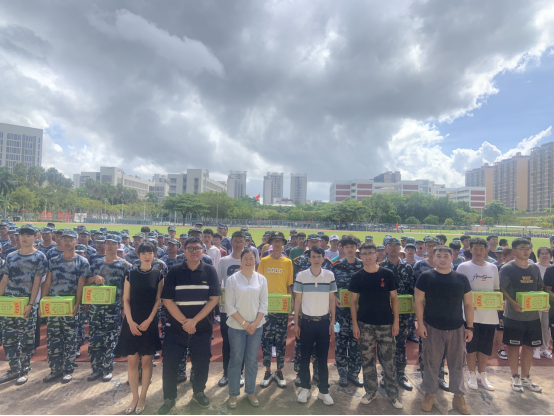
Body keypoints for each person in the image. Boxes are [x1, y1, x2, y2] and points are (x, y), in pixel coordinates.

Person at [159, 237, 220, 414]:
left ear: (203, 251)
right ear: (184, 251)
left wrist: (194, 321)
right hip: (176, 329)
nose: (194, 251)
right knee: (170, 364)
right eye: (190, 248)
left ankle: (199, 392)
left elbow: (214, 299)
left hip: (201, 328)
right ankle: (169, 398)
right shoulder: (175, 271)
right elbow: (167, 300)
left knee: (201, 363)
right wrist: (185, 322)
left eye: (197, 248)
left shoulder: (210, 271)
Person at [415, 245, 473, 415]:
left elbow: (468, 304)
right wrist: (420, 324)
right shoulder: (426, 277)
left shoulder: (461, 279)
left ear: (452, 258)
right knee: (431, 362)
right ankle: (429, 393)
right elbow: (418, 302)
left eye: (445, 256)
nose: (442, 259)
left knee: (457, 364)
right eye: (438, 256)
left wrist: (470, 327)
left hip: (457, 327)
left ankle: (458, 396)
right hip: (432, 327)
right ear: (433, 258)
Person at [351, 243, 402, 409]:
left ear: (377, 254)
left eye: (370, 253)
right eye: (364, 253)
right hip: (365, 324)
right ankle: (370, 391)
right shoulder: (357, 276)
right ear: (360, 256)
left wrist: (396, 322)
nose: (368, 256)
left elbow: (394, 299)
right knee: (367, 360)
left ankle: (393, 394)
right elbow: (353, 302)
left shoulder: (387, 274)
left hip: (386, 324)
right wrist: (355, 324)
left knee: (388, 361)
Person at [115, 241, 163, 415]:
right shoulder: (130, 274)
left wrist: (150, 320)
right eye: (143, 253)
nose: (147, 256)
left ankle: (143, 397)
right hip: (132, 322)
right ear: (138, 255)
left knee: (146, 361)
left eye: (150, 252)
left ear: (154, 254)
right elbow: (126, 299)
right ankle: (134, 397)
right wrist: (130, 321)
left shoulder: (159, 275)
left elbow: (158, 300)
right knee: (132, 361)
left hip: (149, 323)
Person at [0, 225, 48, 386]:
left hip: (26, 303)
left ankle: (24, 369)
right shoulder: (11, 256)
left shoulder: (39, 257)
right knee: (8, 338)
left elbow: (37, 283)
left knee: (26, 339)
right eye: (22, 235)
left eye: (28, 235)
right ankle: (14, 368)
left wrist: (31, 303)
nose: (25, 238)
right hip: (9, 303)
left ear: (35, 237)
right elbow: (4, 280)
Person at [41, 230, 90, 384]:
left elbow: (81, 284)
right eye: (65, 240)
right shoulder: (53, 261)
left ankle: (68, 370)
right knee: (53, 339)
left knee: (70, 339)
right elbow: (47, 283)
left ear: (76, 242)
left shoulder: (82, 261)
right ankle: (55, 370)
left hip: (70, 307)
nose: (68, 243)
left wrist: (77, 304)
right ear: (60, 241)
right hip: (54, 307)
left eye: (71, 240)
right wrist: (42, 303)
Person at [225, 248, 268, 409]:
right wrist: (244, 324)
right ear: (241, 260)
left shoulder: (261, 279)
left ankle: (250, 391)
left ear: (255, 260)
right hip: (236, 327)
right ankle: (233, 393)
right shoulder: (233, 279)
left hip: (256, 327)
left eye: (251, 258)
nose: (248, 261)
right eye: (246, 258)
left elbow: (264, 303)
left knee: (251, 360)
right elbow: (229, 305)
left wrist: (255, 323)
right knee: (236, 360)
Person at [500, 238, 544, 393]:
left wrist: (543, 302)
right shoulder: (507, 268)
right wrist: (513, 303)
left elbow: (539, 288)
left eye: (528, 248)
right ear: (514, 250)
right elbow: (502, 289)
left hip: (533, 317)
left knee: (530, 346)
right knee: (513, 346)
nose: (526, 251)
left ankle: (526, 377)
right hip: (514, 316)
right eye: (522, 248)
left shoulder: (534, 268)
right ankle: (515, 376)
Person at [294, 246, 336, 406]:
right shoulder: (301, 276)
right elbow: (297, 301)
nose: (316, 259)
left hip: (324, 322)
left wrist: (332, 321)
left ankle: (323, 390)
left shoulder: (329, 275)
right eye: (313, 256)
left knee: (323, 358)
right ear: (309, 258)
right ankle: (305, 388)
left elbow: (332, 299)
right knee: (304, 357)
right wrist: (296, 323)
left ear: (323, 258)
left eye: (319, 256)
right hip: (306, 322)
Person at [86, 235, 132, 383]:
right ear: (104, 245)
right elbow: (86, 281)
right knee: (94, 339)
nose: (110, 246)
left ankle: (107, 369)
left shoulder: (125, 265)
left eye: (113, 243)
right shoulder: (96, 264)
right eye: (108, 243)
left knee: (110, 339)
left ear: (118, 246)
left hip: (114, 308)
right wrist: (94, 278)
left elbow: (127, 289)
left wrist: (124, 307)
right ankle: (96, 369)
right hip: (96, 308)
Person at [456, 238, 499, 391]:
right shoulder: (463, 267)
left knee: (485, 347)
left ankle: (482, 374)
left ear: (486, 250)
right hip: (470, 315)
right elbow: (458, 290)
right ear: (470, 250)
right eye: (476, 248)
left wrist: (499, 303)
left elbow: (496, 290)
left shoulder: (493, 268)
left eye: (482, 249)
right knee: (471, 346)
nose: (479, 251)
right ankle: (471, 374)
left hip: (489, 315)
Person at [259, 231, 294, 389]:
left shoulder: (288, 262)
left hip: (281, 307)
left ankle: (279, 371)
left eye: (280, 241)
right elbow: (259, 283)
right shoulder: (264, 261)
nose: (278, 243)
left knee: (280, 339)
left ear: (283, 243)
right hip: (266, 306)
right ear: (271, 243)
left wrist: (291, 302)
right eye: (275, 241)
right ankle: (267, 371)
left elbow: (288, 285)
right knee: (266, 339)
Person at [379, 237, 415, 391]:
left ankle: (400, 374)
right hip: (385, 313)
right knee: (385, 345)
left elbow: (412, 290)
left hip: (403, 314)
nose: (393, 248)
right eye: (390, 245)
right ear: (385, 248)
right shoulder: (380, 267)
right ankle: (386, 375)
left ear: (401, 248)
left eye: (396, 245)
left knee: (401, 344)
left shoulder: (407, 267)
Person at [331, 235, 363, 388]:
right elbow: (331, 288)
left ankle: (354, 374)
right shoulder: (336, 266)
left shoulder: (364, 266)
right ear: (342, 248)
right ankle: (342, 374)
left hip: (360, 313)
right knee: (341, 344)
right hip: (341, 314)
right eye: (347, 246)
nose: (350, 249)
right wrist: (335, 298)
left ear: (357, 248)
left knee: (357, 344)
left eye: (352, 246)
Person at [217, 232, 246, 388]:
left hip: (244, 309)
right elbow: (218, 283)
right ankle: (226, 373)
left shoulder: (248, 260)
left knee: (240, 343)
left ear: (245, 243)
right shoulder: (224, 261)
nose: (238, 244)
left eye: (241, 241)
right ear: (231, 243)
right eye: (235, 241)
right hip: (226, 309)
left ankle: (239, 373)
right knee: (227, 342)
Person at [534, 247, 553, 360]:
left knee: (546, 326)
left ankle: (545, 348)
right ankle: (536, 348)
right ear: (538, 255)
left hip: (549, 302)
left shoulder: (551, 267)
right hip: (536, 301)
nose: (545, 255)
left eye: (547, 253)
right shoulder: (534, 267)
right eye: (542, 253)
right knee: (537, 325)